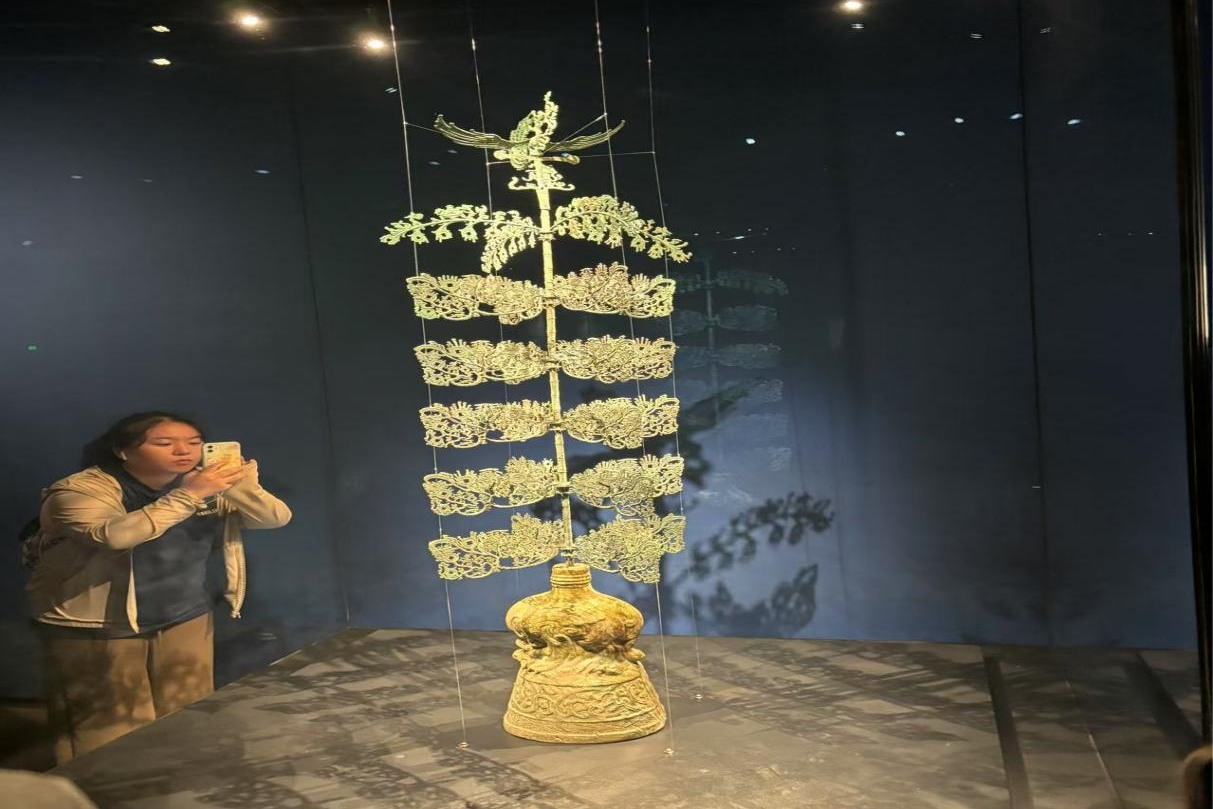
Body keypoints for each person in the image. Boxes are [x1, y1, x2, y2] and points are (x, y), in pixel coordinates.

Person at [22, 412, 291, 763]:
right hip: (97, 624)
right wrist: (189, 495)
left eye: (194, 442)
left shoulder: (202, 482)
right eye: (164, 443)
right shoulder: (78, 491)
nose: (183, 451)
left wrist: (243, 487)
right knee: (110, 728)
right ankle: (105, 790)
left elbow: (274, 518)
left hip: (184, 614)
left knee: (186, 712)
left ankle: (177, 784)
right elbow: (113, 536)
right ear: (123, 451)